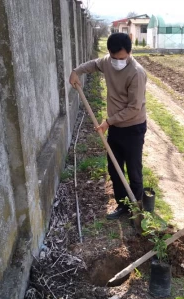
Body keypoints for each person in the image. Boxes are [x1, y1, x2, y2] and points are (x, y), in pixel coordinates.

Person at [69, 33, 147, 220]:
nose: (117, 62)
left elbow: (134, 108)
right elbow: (95, 64)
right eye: (114, 57)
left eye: (121, 58)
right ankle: (122, 205)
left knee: (134, 169)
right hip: (115, 127)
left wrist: (108, 122)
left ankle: (139, 209)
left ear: (129, 52)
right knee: (114, 167)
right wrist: (76, 71)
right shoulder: (108, 62)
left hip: (133, 127)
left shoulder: (136, 73)